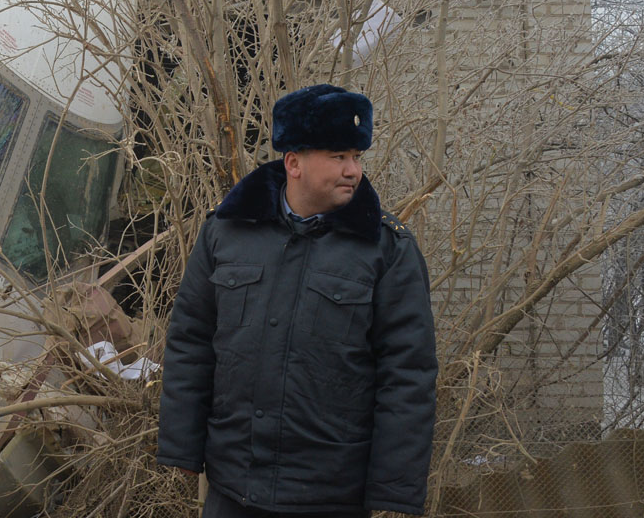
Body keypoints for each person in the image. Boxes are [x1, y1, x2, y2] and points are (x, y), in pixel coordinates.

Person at [157, 84, 437, 517]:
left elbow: (407, 376)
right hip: (233, 486)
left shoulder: (387, 250)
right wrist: (182, 447)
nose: (353, 170)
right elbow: (191, 341)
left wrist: (393, 490)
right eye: (338, 156)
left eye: (357, 157)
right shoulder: (227, 232)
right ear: (294, 163)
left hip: (330, 494)